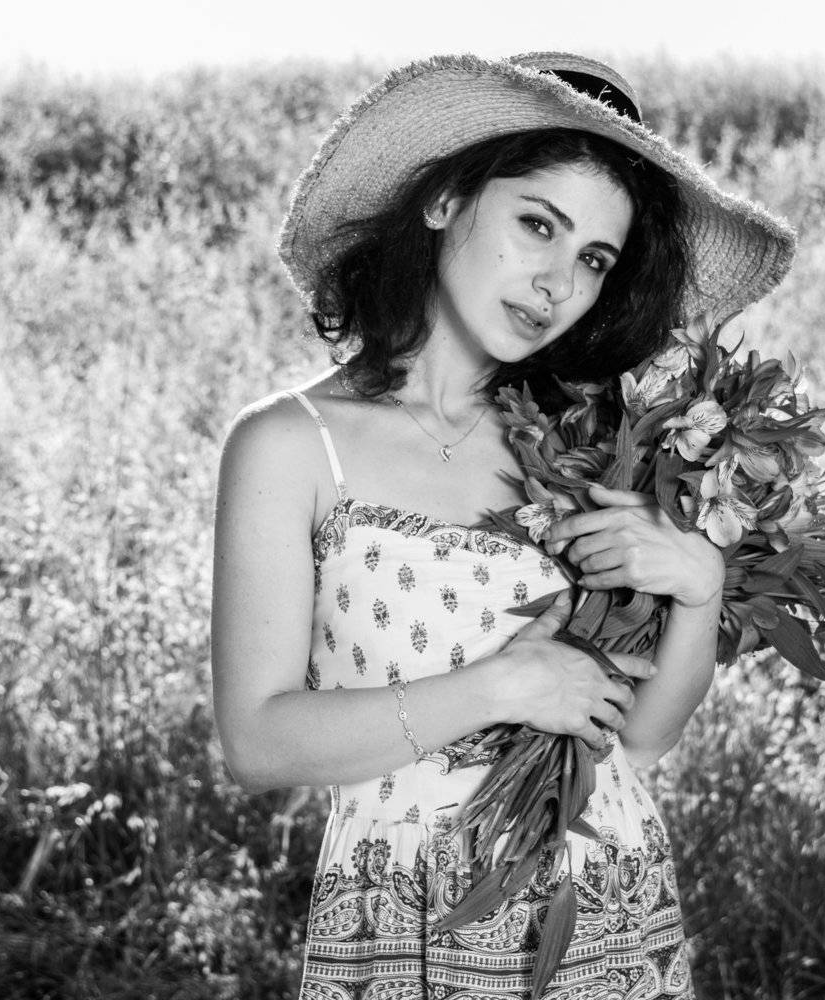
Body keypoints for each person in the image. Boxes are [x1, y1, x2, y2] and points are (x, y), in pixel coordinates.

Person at [211, 52, 795, 999]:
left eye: (593, 259)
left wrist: (699, 587)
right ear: (445, 199)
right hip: (406, 916)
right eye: (538, 225)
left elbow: (639, 740)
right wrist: (504, 685)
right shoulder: (289, 444)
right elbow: (258, 741)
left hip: (606, 907)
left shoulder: (588, 446)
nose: (557, 282)